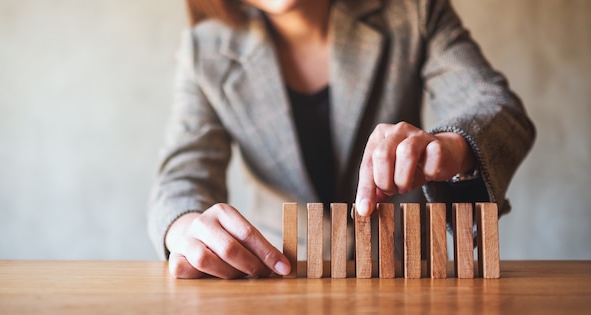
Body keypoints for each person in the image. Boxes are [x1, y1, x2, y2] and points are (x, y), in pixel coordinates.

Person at [148, 0, 535, 279]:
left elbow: (496, 107)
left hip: (404, 275)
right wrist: (183, 226)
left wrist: (453, 146)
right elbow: (183, 173)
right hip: (276, 279)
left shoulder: (413, 11)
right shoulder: (204, 50)